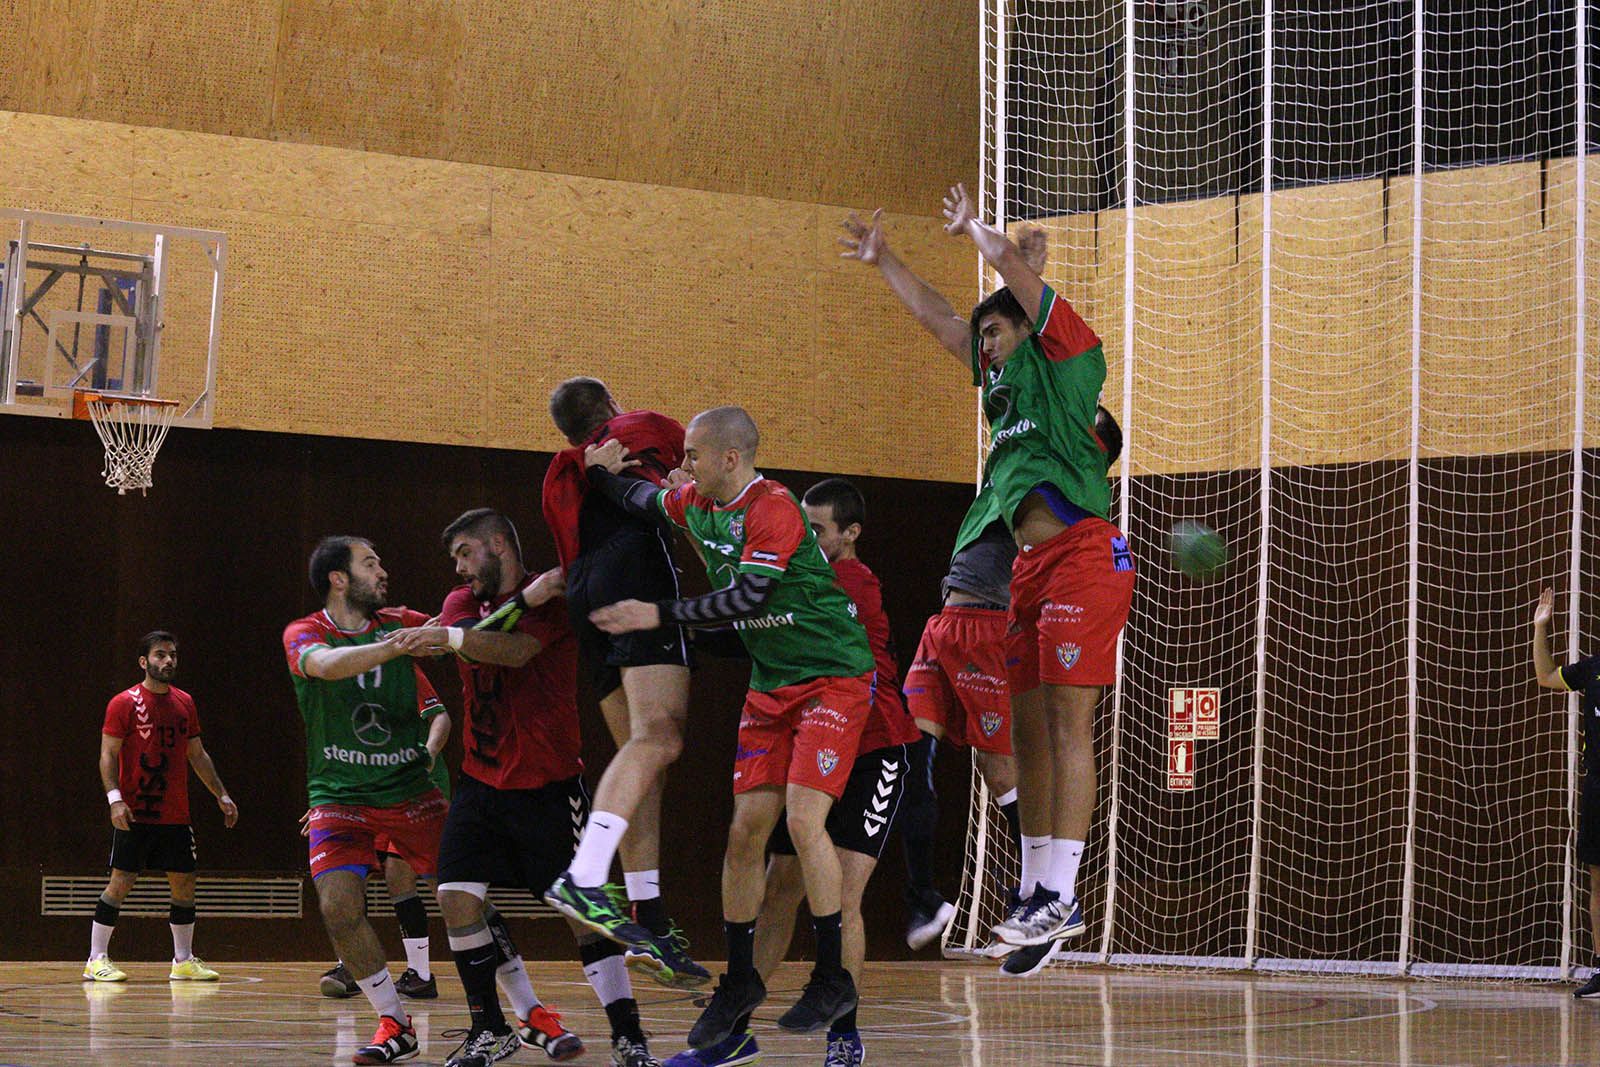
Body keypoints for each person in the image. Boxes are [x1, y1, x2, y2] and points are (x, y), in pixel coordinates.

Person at [841, 187, 1136, 971]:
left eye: (996, 330)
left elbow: (1010, 264)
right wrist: (885, 260)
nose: (984, 344)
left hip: (1082, 553)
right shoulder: (1002, 390)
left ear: (1028, 327)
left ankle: (1062, 891)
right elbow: (940, 318)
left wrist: (978, 230)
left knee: (1068, 726)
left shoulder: (1068, 363)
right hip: (1030, 570)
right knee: (1028, 732)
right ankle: (1037, 894)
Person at [583, 406, 874, 1051]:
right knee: (745, 832)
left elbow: (747, 599)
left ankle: (832, 977)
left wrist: (655, 614)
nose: (684, 464)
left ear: (730, 458)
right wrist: (599, 473)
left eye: (693, 454)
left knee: (804, 821)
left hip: (832, 676)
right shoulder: (696, 503)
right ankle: (740, 980)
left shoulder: (774, 508)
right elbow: (643, 499)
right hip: (772, 686)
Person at [385, 508, 657, 1067]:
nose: (460, 568)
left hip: (549, 787)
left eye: (465, 553)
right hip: (481, 783)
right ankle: (490, 1028)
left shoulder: (556, 599)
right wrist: (459, 631)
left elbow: (513, 651)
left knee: (582, 911)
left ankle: (628, 1036)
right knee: (455, 896)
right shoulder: (462, 604)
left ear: (499, 545)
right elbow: (468, 639)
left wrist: (455, 635)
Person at [664, 477, 918, 1067]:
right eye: (802, 523)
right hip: (808, 738)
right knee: (779, 887)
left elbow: (754, 622)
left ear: (849, 535)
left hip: (872, 748)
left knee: (843, 894)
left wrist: (676, 619)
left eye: (818, 529)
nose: (805, 535)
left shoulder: (847, 581)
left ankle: (843, 1034)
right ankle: (734, 1033)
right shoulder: (788, 564)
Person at [539, 377, 708, 987]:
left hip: (585, 591)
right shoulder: (645, 426)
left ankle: (649, 919)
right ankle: (585, 874)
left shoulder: (565, 472)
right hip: (634, 567)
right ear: (612, 405)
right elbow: (701, 481)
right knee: (661, 737)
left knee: (642, 759)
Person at [282, 536, 453, 1065]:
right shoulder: (309, 634)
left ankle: (517, 1007)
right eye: (370, 563)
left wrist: (455, 628)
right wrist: (398, 645)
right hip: (343, 795)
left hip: (408, 789)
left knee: (462, 895)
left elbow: (453, 639)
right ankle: (395, 1021)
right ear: (338, 578)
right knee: (338, 905)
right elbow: (326, 666)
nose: (383, 571)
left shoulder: (399, 627)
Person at [84, 630, 238, 984]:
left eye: (172, 655)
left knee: (184, 884)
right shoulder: (124, 703)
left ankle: (182, 960)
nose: (168, 661)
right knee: (121, 882)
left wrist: (221, 794)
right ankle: (96, 958)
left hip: (175, 814)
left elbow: (197, 754)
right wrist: (114, 799)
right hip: (135, 812)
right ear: (144, 661)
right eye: (160, 655)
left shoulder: (185, 702)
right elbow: (107, 754)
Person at [1533, 586, 1600, 998]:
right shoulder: (1592, 669)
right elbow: (1545, 677)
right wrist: (1540, 629)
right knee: (1598, 880)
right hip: (1598, 788)